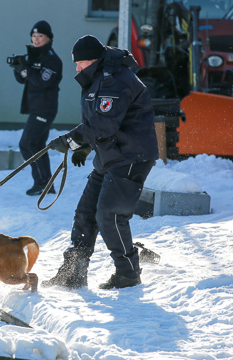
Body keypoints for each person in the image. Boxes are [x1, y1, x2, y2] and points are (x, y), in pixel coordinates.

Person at [43, 35, 159, 290]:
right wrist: (84, 146)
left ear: (93, 60)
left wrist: (72, 139)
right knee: (85, 213)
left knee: (109, 215)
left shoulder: (115, 81)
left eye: (80, 62)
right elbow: (101, 122)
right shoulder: (100, 77)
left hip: (131, 156)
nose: (76, 68)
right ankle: (73, 272)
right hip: (111, 154)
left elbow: (104, 122)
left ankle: (128, 274)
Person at [10, 20, 63, 196]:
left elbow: (42, 81)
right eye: (33, 36)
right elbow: (23, 79)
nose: (36, 40)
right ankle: (45, 184)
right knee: (37, 144)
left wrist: (25, 69)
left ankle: (43, 183)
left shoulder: (52, 60)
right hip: (36, 107)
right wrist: (18, 68)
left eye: (40, 36)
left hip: (44, 109)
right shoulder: (35, 57)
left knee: (27, 143)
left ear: (49, 38)